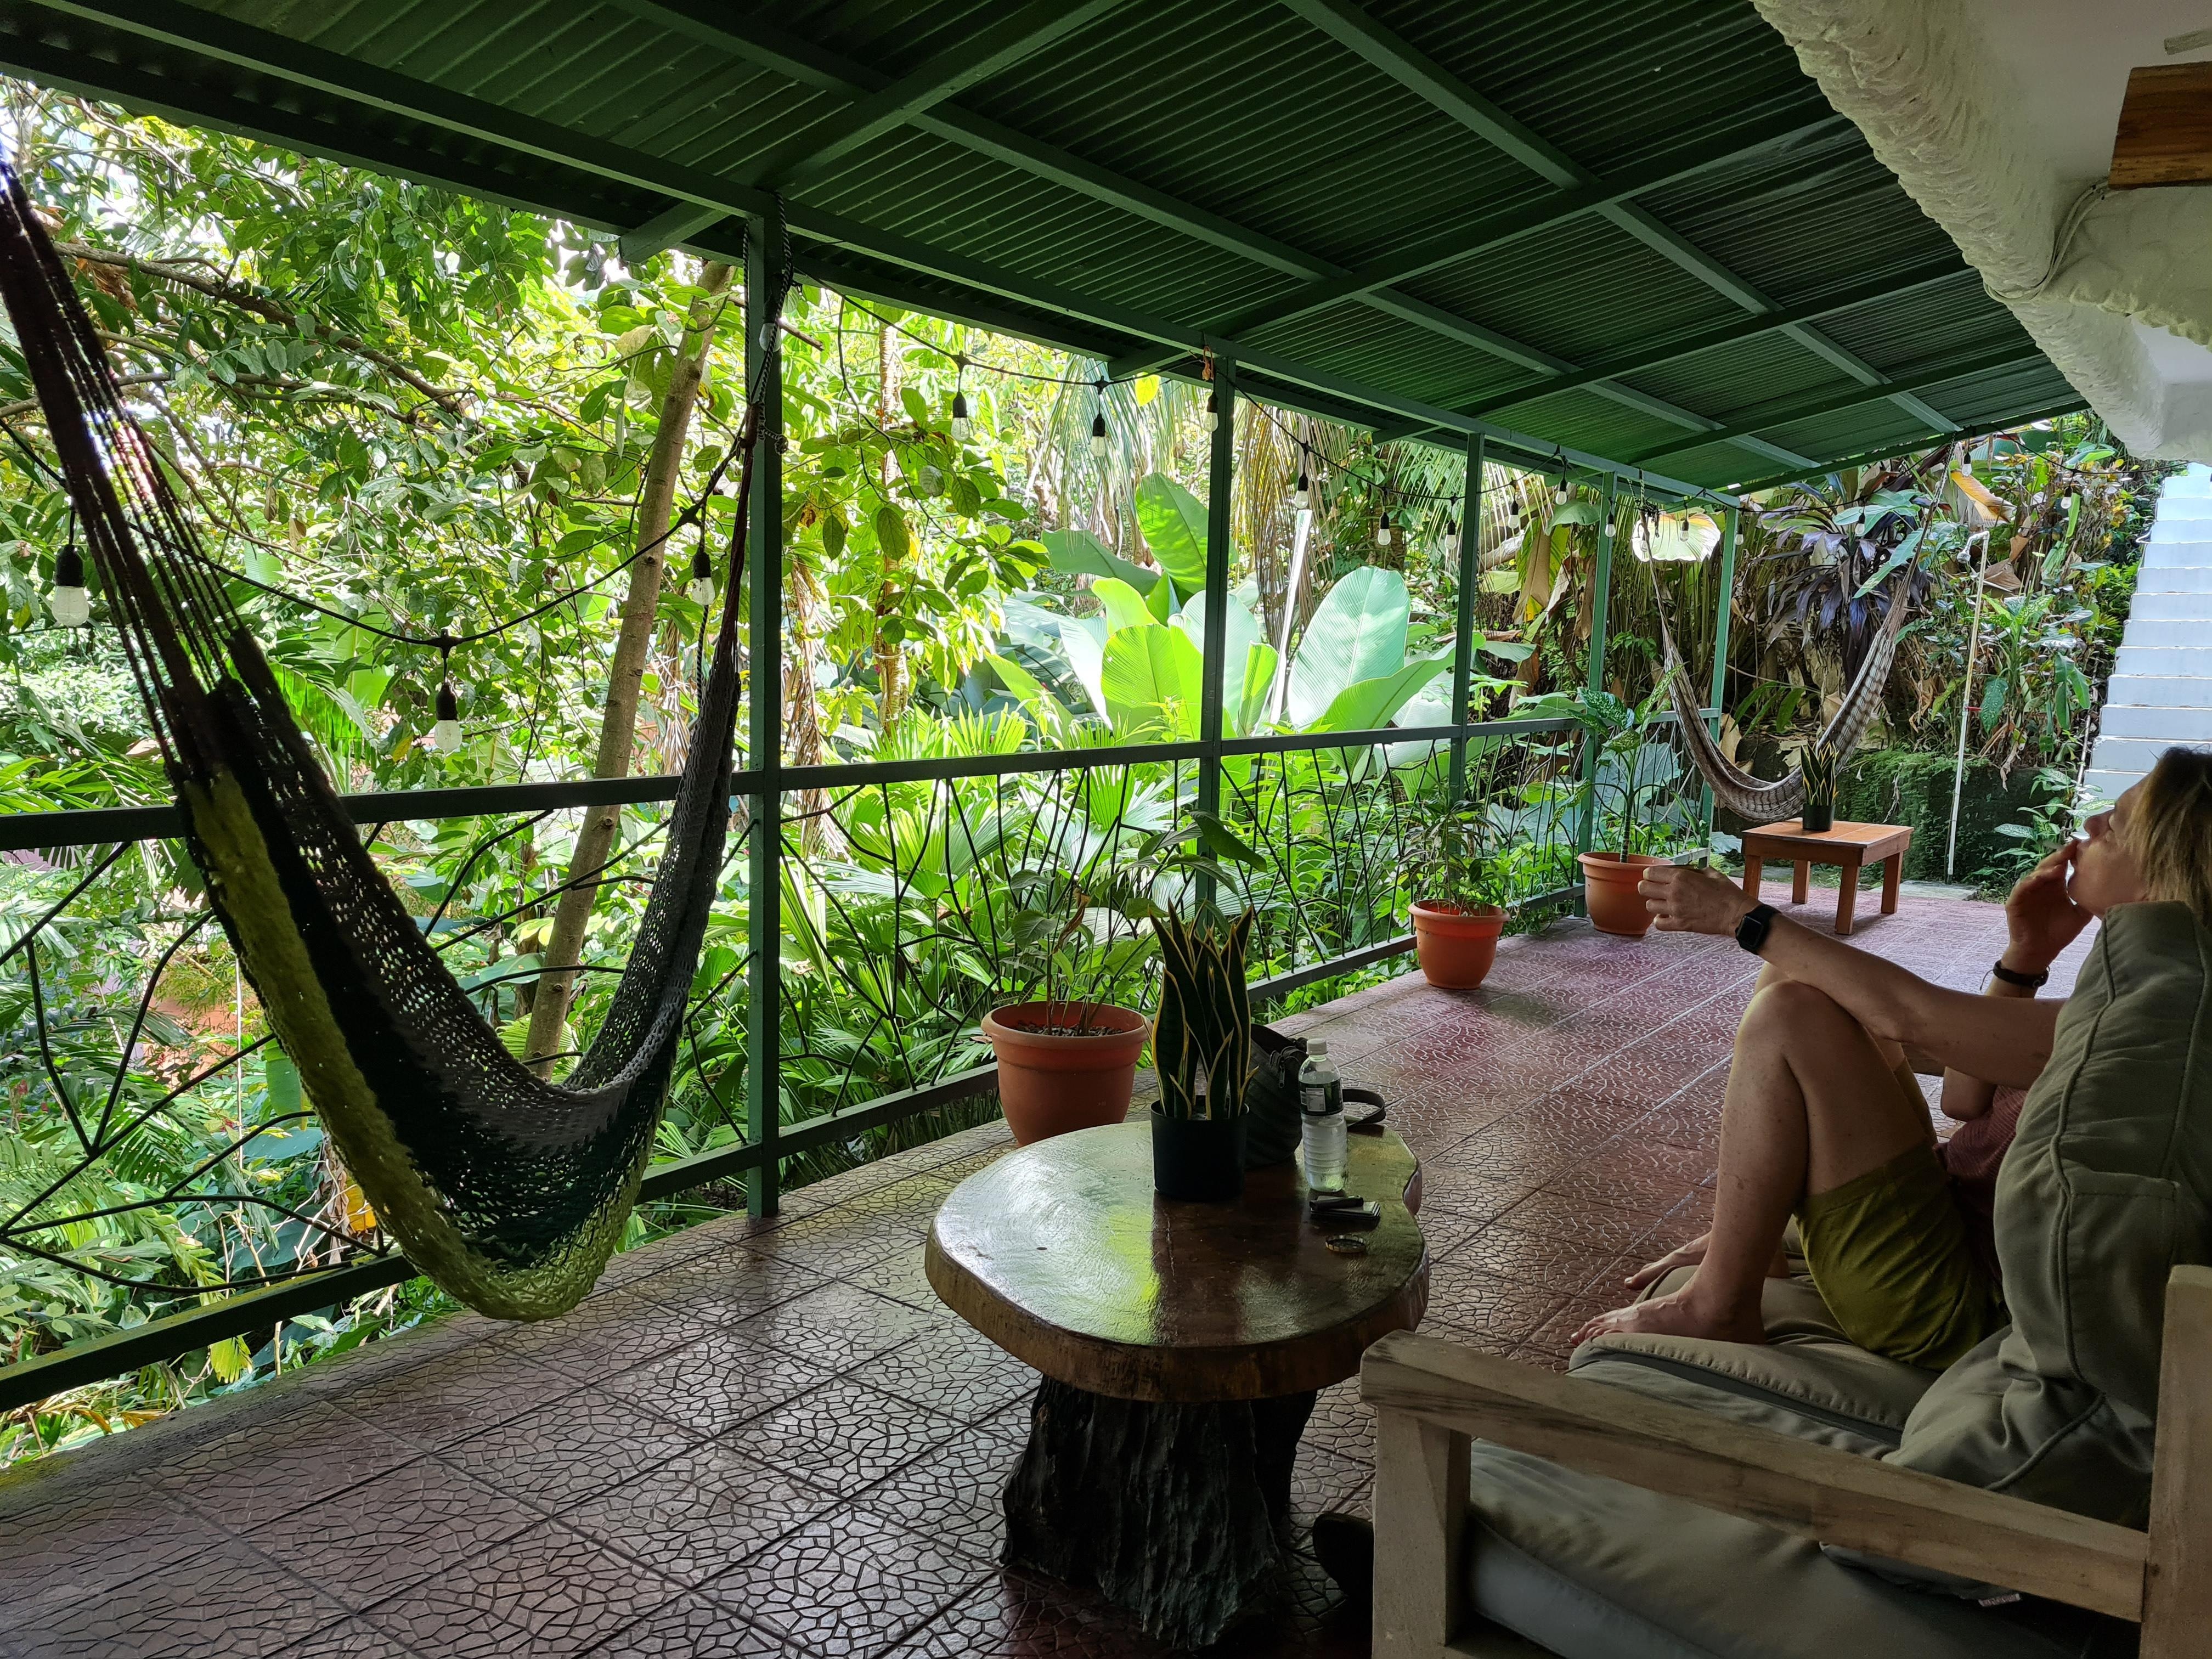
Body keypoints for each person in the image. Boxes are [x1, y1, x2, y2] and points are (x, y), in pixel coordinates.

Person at [1569, 746, 2212, 1366]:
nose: (2093, 825)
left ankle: (1722, 1303)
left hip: (1951, 1302)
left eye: (2118, 825)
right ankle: (1747, 1251)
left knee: (1791, 1013)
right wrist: (2026, 954)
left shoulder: (2154, 1024)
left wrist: (1743, 917)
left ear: (2163, 876)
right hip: (1945, 1219)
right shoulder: (2158, 990)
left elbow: (1910, 1015)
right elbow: (1965, 1100)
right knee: (1797, 983)